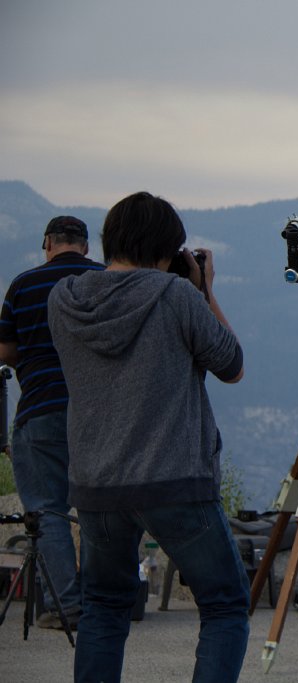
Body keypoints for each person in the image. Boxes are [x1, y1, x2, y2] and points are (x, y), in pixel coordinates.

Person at [47, 192, 250, 683]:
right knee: (224, 605)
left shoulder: (64, 300)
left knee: (102, 607)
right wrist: (204, 290)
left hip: (97, 486)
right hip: (174, 480)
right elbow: (232, 364)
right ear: (166, 249)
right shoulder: (176, 296)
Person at [0, 216, 105, 628]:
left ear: (48, 243)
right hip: (102, 413)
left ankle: (66, 607)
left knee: (47, 511)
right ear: (84, 246)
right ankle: (107, 602)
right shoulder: (104, 280)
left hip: (41, 411)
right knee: (104, 509)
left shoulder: (24, 285)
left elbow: (6, 351)